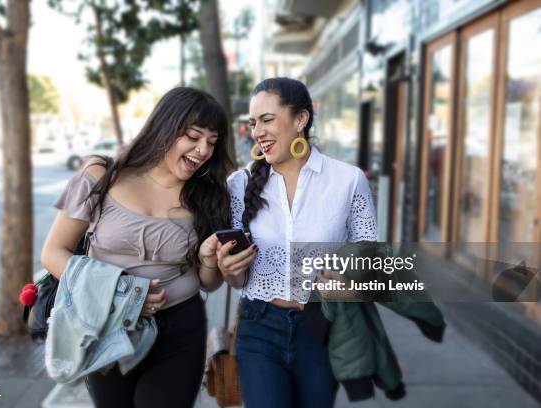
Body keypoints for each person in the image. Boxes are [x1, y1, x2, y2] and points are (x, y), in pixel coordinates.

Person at [41, 87, 232, 408]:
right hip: (106, 325)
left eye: (211, 142)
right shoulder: (101, 176)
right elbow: (53, 253)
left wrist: (208, 260)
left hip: (180, 330)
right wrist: (125, 296)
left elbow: (208, 283)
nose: (202, 150)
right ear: (165, 128)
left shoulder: (208, 197)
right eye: (193, 137)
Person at [214, 77, 378, 408]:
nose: (257, 130)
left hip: (322, 328)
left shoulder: (348, 181)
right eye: (253, 122)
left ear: (300, 119)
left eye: (267, 119)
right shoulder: (239, 184)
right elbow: (238, 278)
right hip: (258, 326)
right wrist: (228, 269)